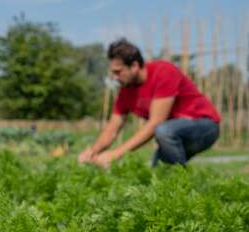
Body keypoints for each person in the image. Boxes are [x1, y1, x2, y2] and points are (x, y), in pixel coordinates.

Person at [79, 38, 220, 168]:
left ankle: (182, 181)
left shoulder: (163, 72)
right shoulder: (125, 92)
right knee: (157, 174)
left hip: (204, 126)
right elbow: (112, 129)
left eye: (118, 72)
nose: (115, 77)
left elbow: (155, 123)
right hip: (171, 133)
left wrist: (115, 154)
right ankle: (178, 183)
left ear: (134, 65)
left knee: (163, 131)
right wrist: (92, 152)